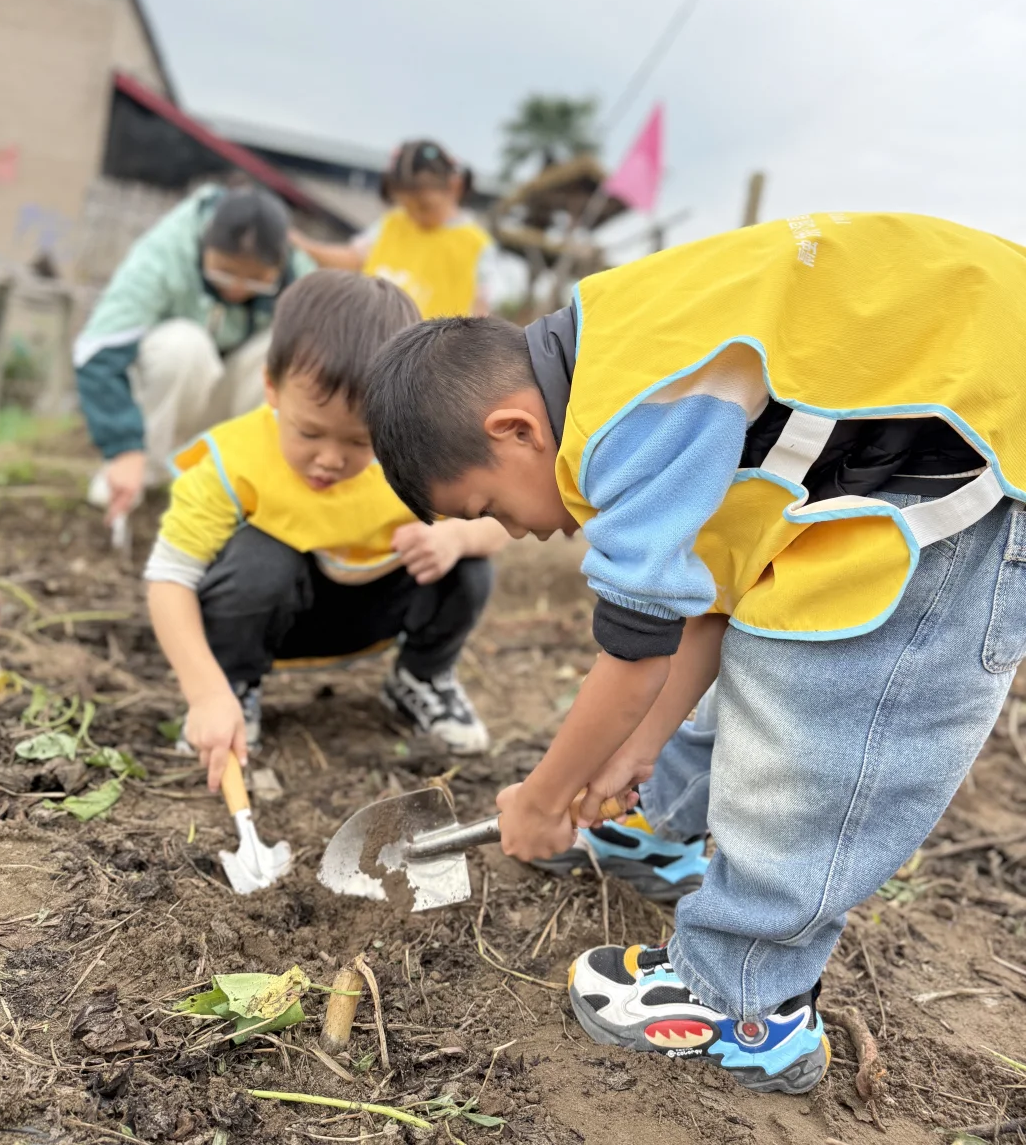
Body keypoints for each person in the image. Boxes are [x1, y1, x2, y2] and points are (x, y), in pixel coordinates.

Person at [362, 212, 1026, 1096]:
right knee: (771, 623)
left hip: (989, 461)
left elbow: (634, 650)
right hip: (911, 464)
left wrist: (544, 797)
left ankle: (748, 1004)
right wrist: (631, 756)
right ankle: (664, 828)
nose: (516, 533)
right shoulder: (623, 352)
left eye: (490, 507)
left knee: (824, 701)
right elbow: (712, 602)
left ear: (517, 429)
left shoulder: (625, 413)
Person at [144, 270, 509, 789]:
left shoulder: (413, 455)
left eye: (360, 442)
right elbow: (169, 579)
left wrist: (454, 537)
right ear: (271, 387)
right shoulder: (235, 462)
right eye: (309, 432)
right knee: (259, 557)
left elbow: (498, 523)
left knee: (469, 564)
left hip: (372, 609)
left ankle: (420, 677)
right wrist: (204, 692)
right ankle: (234, 686)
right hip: (268, 618)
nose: (330, 459)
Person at [74, 181, 314, 525]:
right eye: (225, 271)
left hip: (230, 401)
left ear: (281, 264)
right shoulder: (165, 252)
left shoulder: (300, 276)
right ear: (204, 244)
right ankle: (141, 473)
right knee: (183, 344)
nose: (236, 288)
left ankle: (242, 482)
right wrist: (123, 447)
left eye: (257, 279)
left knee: (289, 351)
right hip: (167, 395)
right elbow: (97, 350)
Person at [294, 140, 495, 317]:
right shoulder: (392, 224)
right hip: (371, 342)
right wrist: (305, 246)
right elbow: (352, 258)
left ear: (455, 186)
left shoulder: (475, 244)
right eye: (406, 207)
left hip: (431, 355)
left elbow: (481, 310)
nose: (415, 216)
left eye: (424, 206)